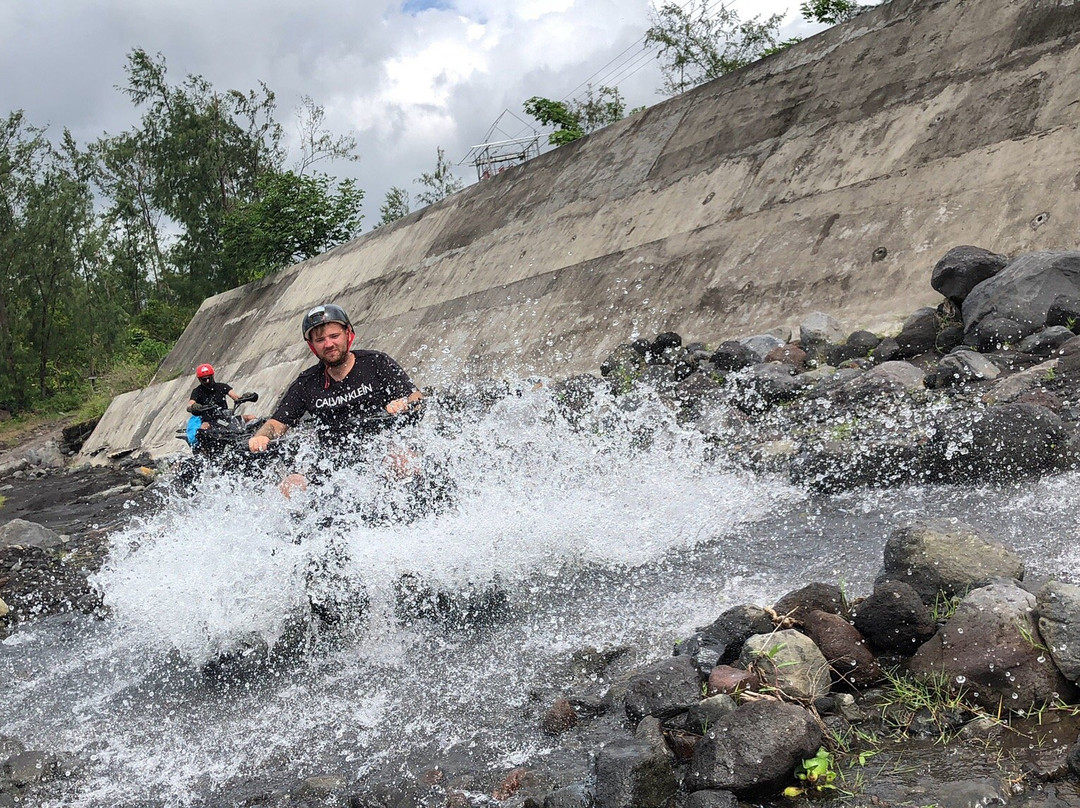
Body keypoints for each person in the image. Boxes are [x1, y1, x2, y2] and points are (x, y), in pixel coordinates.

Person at [248, 303, 423, 495]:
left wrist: (404, 404)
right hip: (332, 464)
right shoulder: (306, 383)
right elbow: (277, 423)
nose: (328, 344)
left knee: (401, 460)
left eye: (334, 336)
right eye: (320, 339)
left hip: (381, 450)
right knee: (290, 485)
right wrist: (260, 437)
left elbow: (415, 396)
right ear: (312, 346)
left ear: (348, 333)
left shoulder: (376, 363)